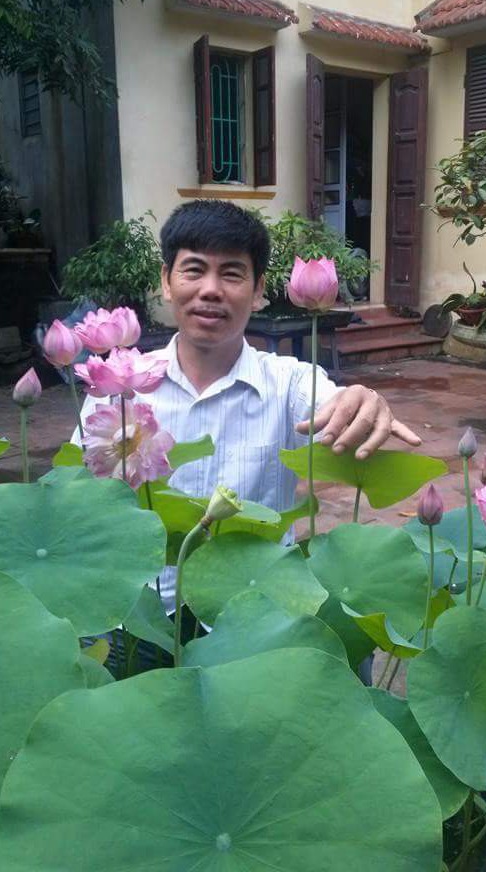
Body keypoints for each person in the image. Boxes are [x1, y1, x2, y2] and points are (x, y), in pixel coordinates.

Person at [74, 200, 421, 673]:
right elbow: (82, 499)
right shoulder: (117, 389)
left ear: (258, 291)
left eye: (232, 274)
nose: (210, 290)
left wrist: (361, 399)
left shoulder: (290, 382)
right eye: (194, 270)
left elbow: (333, 401)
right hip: (141, 617)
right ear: (166, 280)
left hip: (256, 618)